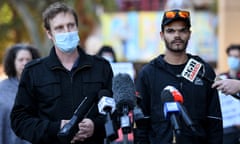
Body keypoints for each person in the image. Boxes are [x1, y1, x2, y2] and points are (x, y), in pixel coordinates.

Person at [10, 2, 113, 144]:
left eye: (71, 25)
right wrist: (56, 128)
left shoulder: (101, 67)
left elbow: (116, 113)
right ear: (49, 34)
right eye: (59, 28)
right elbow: (19, 121)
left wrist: (95, 126)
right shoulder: (33, 72)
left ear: (77, 27)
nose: (67, 31)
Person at [135, 9, 223, 144]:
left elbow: (214, 121)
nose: (177, 35)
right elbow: (141, 124)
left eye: (182, 30)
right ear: (162, 35)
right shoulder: (147, 73)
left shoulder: (204, 70)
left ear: (189, 34)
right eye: (170, 31)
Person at [0, 43, 40, 144]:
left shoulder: (42, 86)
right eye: (21, 60)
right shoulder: (2, 88)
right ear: (13, 62)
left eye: (28, 59)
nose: (25, 63)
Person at [212, 45, 240, 144]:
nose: (233, 60)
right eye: (231, 56)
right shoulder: (221, 79)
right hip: (227, 130)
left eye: (237, 57)